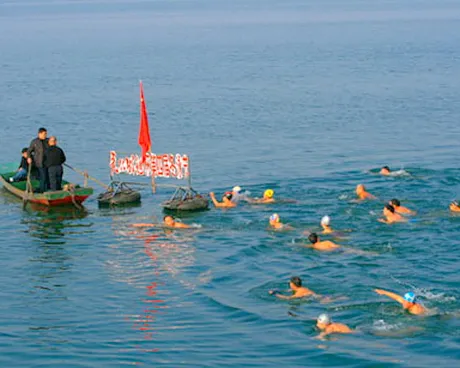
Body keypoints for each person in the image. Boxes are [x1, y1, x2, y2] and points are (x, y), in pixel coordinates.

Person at [27, 127, 49, 192]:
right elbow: (29, 151)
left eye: (46, 134)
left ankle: (46, 188)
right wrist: (29, 158)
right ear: (40, 133)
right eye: (44, 134)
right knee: (43, 177)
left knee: (47, 177)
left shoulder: (48, 140)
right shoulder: (34, 142)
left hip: (47, 162)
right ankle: (42, 190)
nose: (45, 135)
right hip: (39, 162)